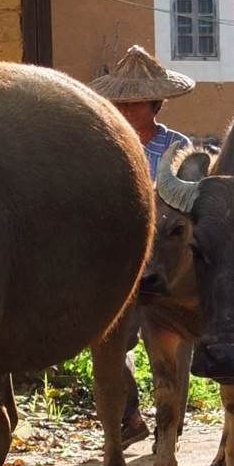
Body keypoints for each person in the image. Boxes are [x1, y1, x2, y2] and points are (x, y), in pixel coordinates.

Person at [88, 46, 196, 443]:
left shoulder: (177, 147)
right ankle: (130, 415)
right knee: (112, 344)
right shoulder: (106, 146)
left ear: (155, 104)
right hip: (123, 259)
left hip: (168, 262)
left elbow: (189, 203)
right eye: (122, 104)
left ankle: (173, 423)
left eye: (137, 104)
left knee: (175, 344)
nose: (129, 111)